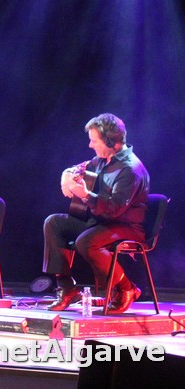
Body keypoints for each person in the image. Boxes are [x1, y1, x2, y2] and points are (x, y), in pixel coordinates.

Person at [43, 113, 150, 315]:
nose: (90, 145)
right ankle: (67, 288)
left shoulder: (130, 169)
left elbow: (114, 210)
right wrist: (66, 176)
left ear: (111, 141)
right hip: (101, 222)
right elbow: (77, 168)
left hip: (126, 227)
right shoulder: (102, 160)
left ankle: (126, 288)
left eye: (94, 141)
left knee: (86, 241)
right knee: (54, 222)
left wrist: (85, 194)